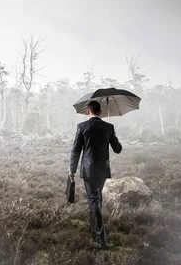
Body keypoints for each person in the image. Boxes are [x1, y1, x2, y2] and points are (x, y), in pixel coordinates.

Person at [69, 100, 122, 249]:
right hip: (102, 170)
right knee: (97, 198)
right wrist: (113, 135)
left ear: (88, 112)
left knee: (94, 200)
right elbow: (117, 149)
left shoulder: (82, 127)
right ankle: (96, 229)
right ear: (100, 112)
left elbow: (76, 149)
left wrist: (72, 169)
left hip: (88, 170)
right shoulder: (109, 127)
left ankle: (101, 238)